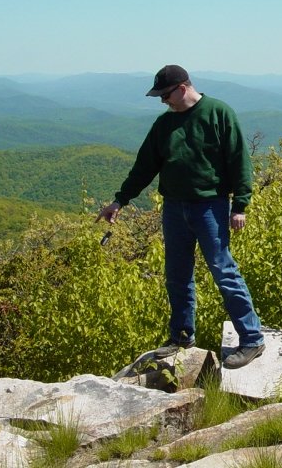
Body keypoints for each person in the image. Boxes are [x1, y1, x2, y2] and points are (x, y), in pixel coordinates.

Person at [96, 64, 265, 369]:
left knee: (223, 271)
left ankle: (252, 339)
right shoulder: (164, 125)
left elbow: (239, 159)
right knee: (177, 275)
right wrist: (120, 201)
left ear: (183, 88)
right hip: (174, 208)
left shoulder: (218, 113)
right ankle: (182, 337)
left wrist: (240, 205)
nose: (163, 101)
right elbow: (144, 166)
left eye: (165, 95)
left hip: (210, 207)